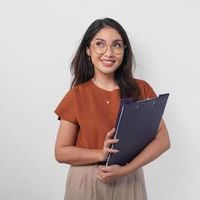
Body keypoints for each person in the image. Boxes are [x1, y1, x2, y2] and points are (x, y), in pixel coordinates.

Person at [54, 17, 170, 200]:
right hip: (86, 181)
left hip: (128, 179)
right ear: (88, 50)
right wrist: (101, 153)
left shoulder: (141, 89)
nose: (109, 52)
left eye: (116, 45)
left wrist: (126, 170)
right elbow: (61, 152)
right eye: (100, 44)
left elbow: (163, 140)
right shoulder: (77, 95)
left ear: (124, 51)